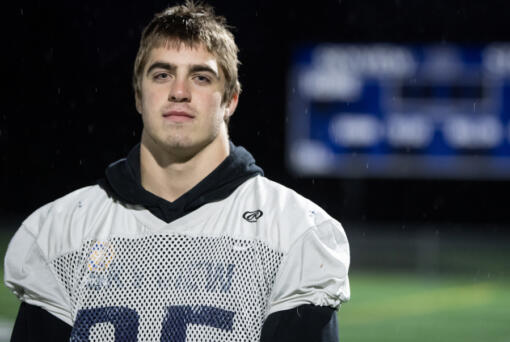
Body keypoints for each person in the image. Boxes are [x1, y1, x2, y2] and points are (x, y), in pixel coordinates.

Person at [4, 2, 350, 341]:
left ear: (230, 100)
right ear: (139, 95)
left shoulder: (293, 232)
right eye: (162, 74)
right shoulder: (62, 232)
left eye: (201, 77)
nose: (179, 92)